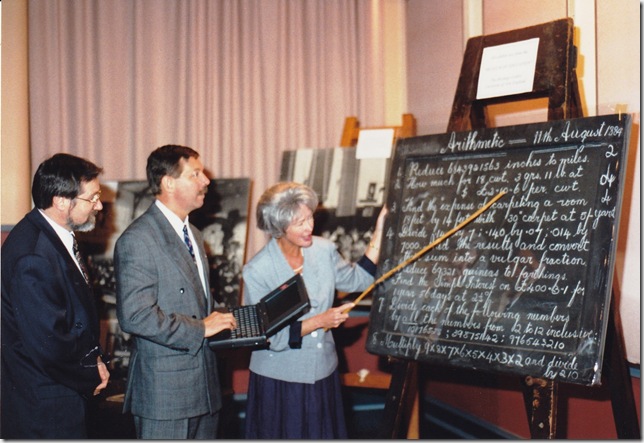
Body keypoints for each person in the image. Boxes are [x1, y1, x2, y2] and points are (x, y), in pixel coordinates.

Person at [242, 182, 387, 439]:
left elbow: (358, 280)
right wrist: (321, 321)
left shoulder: (323, 250)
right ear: (279, 227)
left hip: (323, 370)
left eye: (310, 217)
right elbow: (271, 337)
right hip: (281, 380)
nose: (309, 227)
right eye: (299, 223)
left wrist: (380, 231)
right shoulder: (258, 271)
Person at [114, 144, 237, 439]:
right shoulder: (138, 239)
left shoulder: (193, 234)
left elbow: (197, 301)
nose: (206, 180)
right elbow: (135, 316)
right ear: (168, 183)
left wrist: (235, 319)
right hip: (165, 397)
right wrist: (201, 328)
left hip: (205, 391)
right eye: (195, 174)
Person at [1, 153, 110, 438]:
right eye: (92, 198)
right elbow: (50, 344)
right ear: (61, 201)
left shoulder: (52, 235)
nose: (99, 205)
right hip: (46, 409)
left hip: (58, 395)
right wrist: (91, 373)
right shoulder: (33, 256)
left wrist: (95, 360)